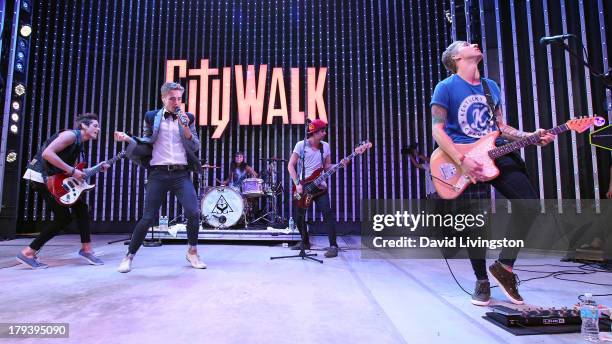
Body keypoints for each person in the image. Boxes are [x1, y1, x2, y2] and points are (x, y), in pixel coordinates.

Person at [430, 41, 556, 306]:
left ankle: (504, 267)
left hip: (495, 151)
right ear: (455, 57)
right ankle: (481, 280)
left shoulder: (491, 86)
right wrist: (461, 160)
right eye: (466, 44)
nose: (474, 43)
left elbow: (500, 126)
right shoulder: (446, 87)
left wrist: (530, 136)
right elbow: (438, 130)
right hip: (463, 159)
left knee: (529, 205)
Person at [114, 82, 204, 273]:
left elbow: (195, 146)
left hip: (181, 173)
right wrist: (129, 139)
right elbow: (147, 141)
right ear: (163, 98)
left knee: (193, 212)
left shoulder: (188, 117)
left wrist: (185, 126)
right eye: (172, 98)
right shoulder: (152, 117)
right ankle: (128, 257)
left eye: (179, 98)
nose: (176, 102)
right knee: (148, 217)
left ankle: (193, 252)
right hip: (158, 173)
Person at [18, 113, 108, 269]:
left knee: (81, 208)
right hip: (41, 177)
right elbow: (47, 154)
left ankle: (86, 249)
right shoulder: (70, 135)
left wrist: (96, 168)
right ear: (84, 126)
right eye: (95, 125)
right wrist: (73, 172)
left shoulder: (78, 143)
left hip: (52, 177)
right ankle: (28, 252)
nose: (98, 129)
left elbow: (67, 169)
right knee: (63, 218)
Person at [287, 119, 347, 258]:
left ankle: (333, 246)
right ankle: (305, 242)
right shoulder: (301, 145)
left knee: (328, 214)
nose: (325, 133)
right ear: (313, 133)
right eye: (322, 131)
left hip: (320, 187)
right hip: (303, 187)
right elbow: (290, 165)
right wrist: (297, 184)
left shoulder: (325, 146)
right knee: (299, 216)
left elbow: (327, 166)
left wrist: (339, 164)